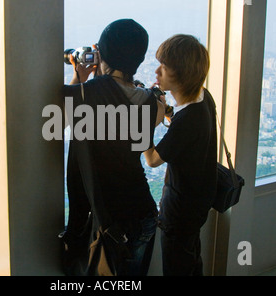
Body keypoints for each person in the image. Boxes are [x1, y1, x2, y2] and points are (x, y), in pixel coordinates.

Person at [62, 19, 164, 276]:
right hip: (144, 215)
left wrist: (80, 75)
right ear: (138, 60)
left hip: (112, 222)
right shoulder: (150, 101)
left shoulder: (87, 93)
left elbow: (63, 114)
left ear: (102, 52)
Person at [143, 34, 217, 276]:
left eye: (164, 67)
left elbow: (153, 160)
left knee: (177, 268)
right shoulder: (205, 98)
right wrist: (168, 112)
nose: (157, 72)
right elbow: (187, 134)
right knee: (191, 263)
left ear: (181, 73)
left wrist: (144, 125)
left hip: (180, 211)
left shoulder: (187, 121)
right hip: (199, 203)